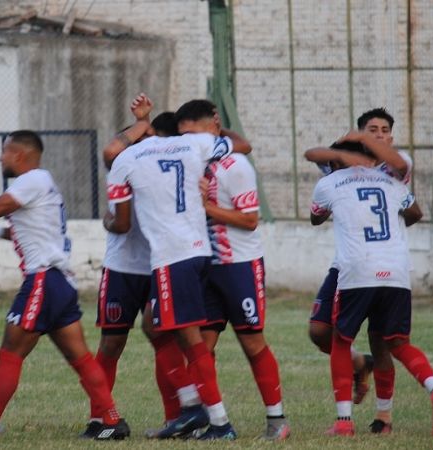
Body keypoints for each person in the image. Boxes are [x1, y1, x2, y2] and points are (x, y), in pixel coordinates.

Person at [0, 130, 129, 441]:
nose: (0, 158)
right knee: (80, 358)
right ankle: (112, 420)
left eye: (5, 152)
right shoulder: (43, 182)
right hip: (60, 282)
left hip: (42, 281)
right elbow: (31, 230)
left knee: (10, 352)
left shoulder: (30, 181)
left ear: (20, 155)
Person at [103, 98, 240, 440]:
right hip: (198, 252)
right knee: (155, 325)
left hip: (170, 257)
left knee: (189, 338)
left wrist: (106, 219)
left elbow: (119, 222)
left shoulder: (126, 159)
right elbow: (243, 144)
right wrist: (213, 126)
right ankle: (191, 406)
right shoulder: (192, 143)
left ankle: (219, 422)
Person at [309, 145, 433, 437]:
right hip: (397, 271)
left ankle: (344, 422)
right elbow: (414, 212)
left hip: (358, 270)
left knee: (341, 340)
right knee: (398, 344)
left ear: (338, 159)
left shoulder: (329, 183)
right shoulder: (392, 182)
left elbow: (316, 217)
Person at [304, 107, 412, 433]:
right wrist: (345, 155)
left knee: (381, 341)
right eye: (370, 130)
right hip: (347, 264)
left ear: (391, 137)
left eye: (383, 130)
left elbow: (414, 209)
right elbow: (313, 154)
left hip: (381, 264)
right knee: (319, 332)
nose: (378, 135)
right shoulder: (349, 160)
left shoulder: (395, 167)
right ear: (359, 133)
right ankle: (357, 362)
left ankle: (383, 416)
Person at [86, 100, 187, 437]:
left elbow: (112, 148)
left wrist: (143, 123)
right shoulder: (131, 161)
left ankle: (175, 417)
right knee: (112, 343)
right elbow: (114, 150)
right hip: (123, 267)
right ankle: (100, 416)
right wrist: (145, 122)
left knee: (162, 340)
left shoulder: (175, 161)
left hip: (161, 265)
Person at [195, 106, 288, 441]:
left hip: (240, 268)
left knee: (252, 343)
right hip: (208, 267)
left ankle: (277, 421)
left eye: (196, 134)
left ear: (214, 127)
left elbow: (250, 220)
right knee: (200, 348)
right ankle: (215, 423)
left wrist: (206, 207)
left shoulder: (236, 166)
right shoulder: (194, 164)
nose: (191, 142)